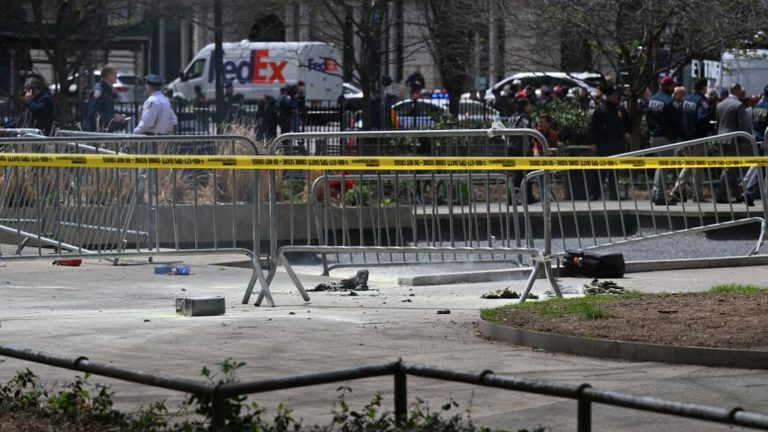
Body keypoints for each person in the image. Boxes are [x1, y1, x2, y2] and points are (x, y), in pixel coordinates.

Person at [668, 78, 713, 203]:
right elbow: (703, 118)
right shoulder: (701, 101)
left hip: (686, 138)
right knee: (698, 166)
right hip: (698, 137)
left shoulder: (686, 100)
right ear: (704, 87)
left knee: (689, 164)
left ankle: (677, 190)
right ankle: (697, 195)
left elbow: (680, 118)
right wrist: (710, 130)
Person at [586, 87, 631, 200]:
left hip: (617, 144)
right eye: (613, 96)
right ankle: (594, 194)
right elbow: (592, 127)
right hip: (603, 144)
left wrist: (627, 132)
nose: (615, 98)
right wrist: (593, 143)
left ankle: (614, 194)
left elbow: (629, 123)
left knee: (614, 172)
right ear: (609, 96)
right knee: (600, 172)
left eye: (617, 96)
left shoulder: (621, 110)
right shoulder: (600, 110)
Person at [715, 83, 752, 204]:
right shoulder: (739, 105)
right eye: (740, 90)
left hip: (721, 138)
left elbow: (718, 123)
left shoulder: (720, 104)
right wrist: (746, 140)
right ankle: (720, 194)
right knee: (729, 168)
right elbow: (743, 124)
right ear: (736, 90)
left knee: (730, 167)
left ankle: (737, 194)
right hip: (734, 139)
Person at [645, 75, 680, 205]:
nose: (674, 87)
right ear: (668, 86)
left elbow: (647, 119)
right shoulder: (669, 102)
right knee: (664, 166)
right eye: (672, 85)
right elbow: (676, 121)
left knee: (659, 165)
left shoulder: (651, 100)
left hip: (654, 136)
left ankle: (655, 194)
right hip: (666, 137)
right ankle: (660, 196)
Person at [506, 96, 537, 204]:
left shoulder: (512, 117)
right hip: (521, 148)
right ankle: (522, 198)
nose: (530, 107)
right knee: (524, 173)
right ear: (525, 106)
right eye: (528, 105)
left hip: (510, 146)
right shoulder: (525, 117)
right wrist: (530, 148)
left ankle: (522, 197)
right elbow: (527, 132)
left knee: (519, 173)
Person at [85, 65, 127, 132]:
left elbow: (106, 111)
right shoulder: (99, 91)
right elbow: (94, 114)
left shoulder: (108, 90)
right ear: (109, 75)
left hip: (106, 133)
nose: (116, 76)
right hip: (98, 134)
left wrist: (118, 118)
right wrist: (113, 118)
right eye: (115, 74)